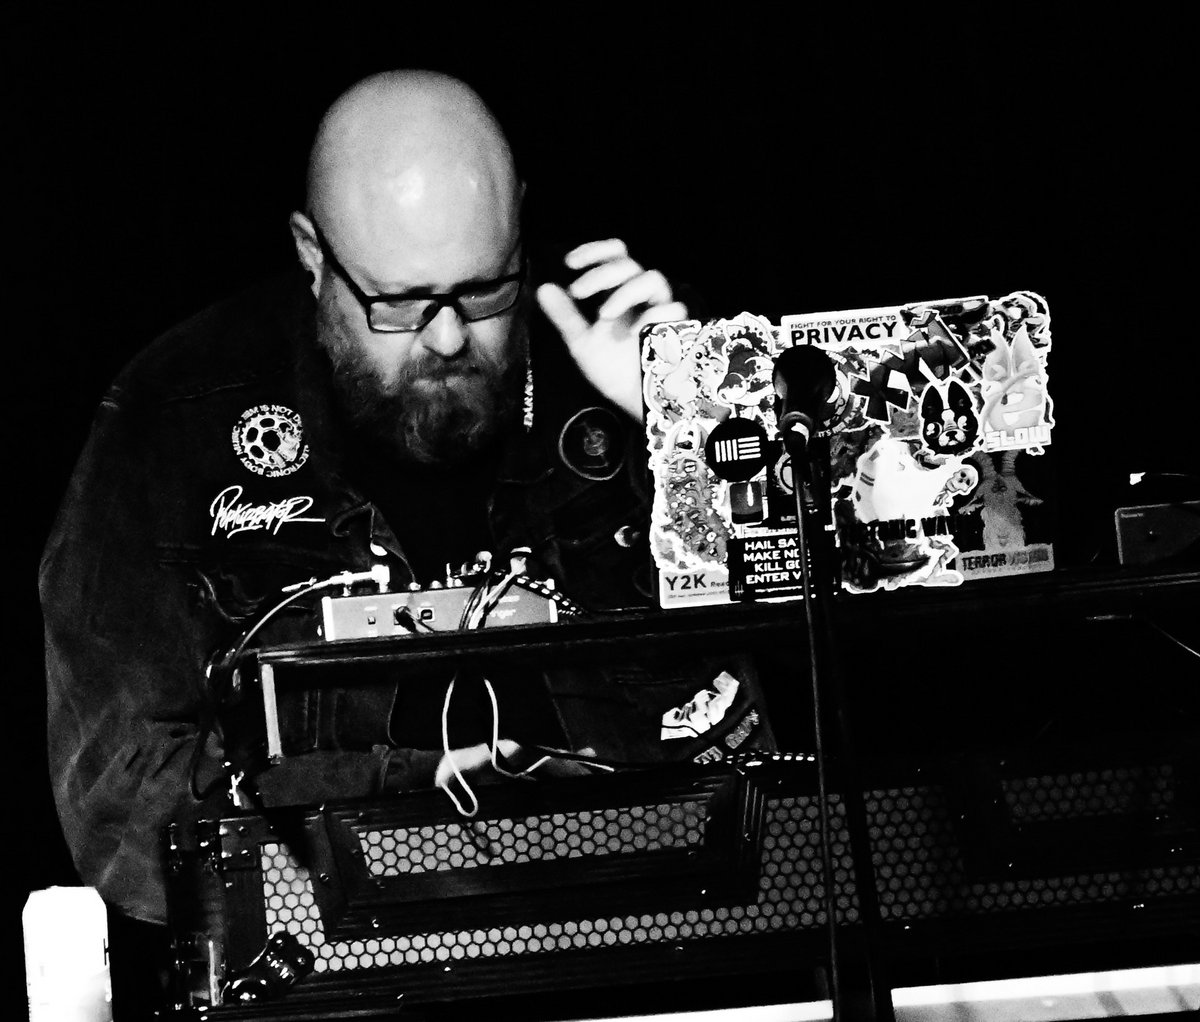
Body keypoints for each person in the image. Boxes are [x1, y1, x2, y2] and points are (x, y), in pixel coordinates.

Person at [40, 70, 774, 949]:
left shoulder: (634, 368)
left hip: (655, 945)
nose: (449, 335)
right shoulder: (175, 418)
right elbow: (121, 805)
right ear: (314, 256)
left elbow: (793, 728)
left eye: (486, 289)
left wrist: (688, 435)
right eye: (399, 304)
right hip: (339, 968)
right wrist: (408, 806)